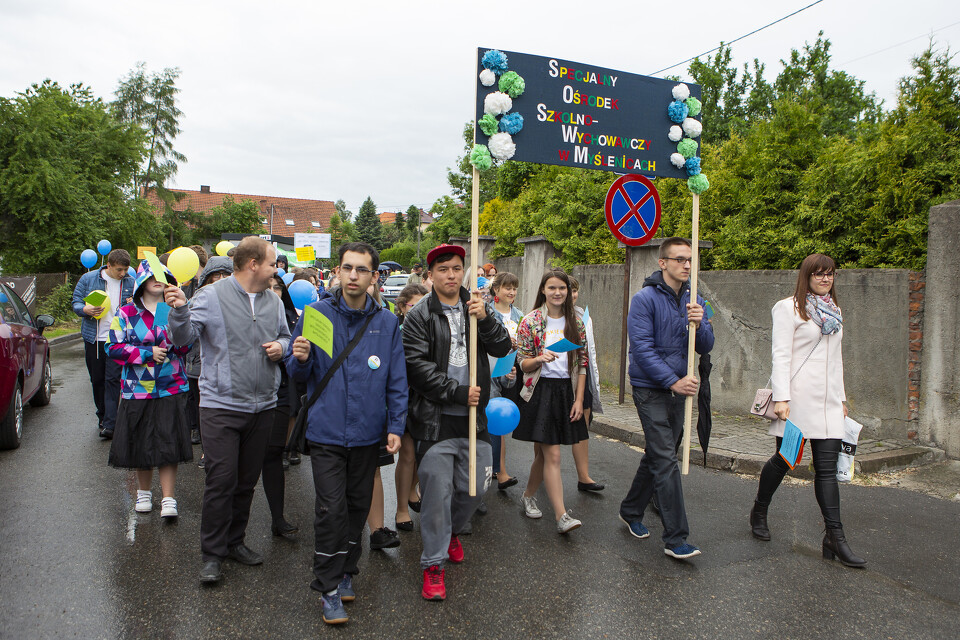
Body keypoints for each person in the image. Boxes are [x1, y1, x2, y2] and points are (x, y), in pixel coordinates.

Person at [286, 241, 407, 625]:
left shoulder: (387, 322)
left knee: (357, 508)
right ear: (337, 271)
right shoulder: (316, 314)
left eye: (361, 270)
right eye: (347, 268)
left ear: (374, 277)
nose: (353, 276)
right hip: (326, 432)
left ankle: (347, 571)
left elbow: (396, 380)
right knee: (330, 510)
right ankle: (328, 588)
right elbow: (297, 374)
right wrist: (299, 358)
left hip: (369, 433)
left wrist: (395, 426)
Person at [166, 236, 291, 585]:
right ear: (253, 264)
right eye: (271, 264)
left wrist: (281, 348)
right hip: (220, 405)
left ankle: (235, 542)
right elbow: (182, 340)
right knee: (221, 480)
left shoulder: (274, 301)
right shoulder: (210, 297)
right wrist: (178, 311)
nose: (275, 270)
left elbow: (285, 335)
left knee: (246, 482)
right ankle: (212, 554)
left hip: (263, 404)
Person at [402, 244, 511, 601]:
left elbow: (502, 348)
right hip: (436, 421)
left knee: (476, 489)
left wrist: (488, 318)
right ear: (430, 274)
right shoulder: (419, 315)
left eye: (457, 268)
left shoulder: (477, 307)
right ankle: (433, 565)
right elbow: (416, 368)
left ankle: (449, 532)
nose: (451, 274)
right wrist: (456, 392)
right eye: (444, 268)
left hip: (474, 420)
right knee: (436, 495)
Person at [750, 254, 865, 567]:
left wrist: (841, 398)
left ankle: (835, 537)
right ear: (807, 276)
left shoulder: (835, 311)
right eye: (819, 274)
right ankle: (760, 509)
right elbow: (781, 356)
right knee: (786, 460)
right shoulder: (788, 308)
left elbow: (837, 360)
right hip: (796, 402)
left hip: (827, 404)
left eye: (830, 274)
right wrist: (783, 398)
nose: (826, 279)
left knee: (826, 469)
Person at [618, 237, 713, 560]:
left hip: (679, 388)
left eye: (690, 260)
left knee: (660, 453)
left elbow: (706, 345)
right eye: (680, 259)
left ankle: (631, 509)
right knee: (666, 459)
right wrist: (673, 381)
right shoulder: (644, 300)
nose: (687, 265)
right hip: (651, 388)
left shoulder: (694, 297)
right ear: (663, 263)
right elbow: (642, 350)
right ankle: (676, 537)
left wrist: (699, 324)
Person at [106, 259, 192, 518]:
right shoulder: (126, 313)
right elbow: (113, 347)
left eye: (163, 275)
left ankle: (168, 498)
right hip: (137, 389)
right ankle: (144, 493)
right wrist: (146, 353)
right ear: (141, 281)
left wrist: (181, 314)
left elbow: (186, 346)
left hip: (171, 386)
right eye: (152, 276)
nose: (158, 280)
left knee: (168, 442)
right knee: (141, 441)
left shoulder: (172, 309)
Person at [513, 269, 588, 534]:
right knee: (552, 453)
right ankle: (562, 515)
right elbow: (522, 363)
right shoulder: (530, 320)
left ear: (568, 292)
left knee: (545, 455)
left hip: (565, 393)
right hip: (539, 392)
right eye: (552, 288)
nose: (557, 293)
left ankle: (528, 495)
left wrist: (579, 399)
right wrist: (539, 359)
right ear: (543, 290)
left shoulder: (576, 322)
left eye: (562, 288)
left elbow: (582, 364)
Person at [72, 248, 135, 439]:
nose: (123, 273)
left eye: (125, 269)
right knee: (97, 380)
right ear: (108, 265)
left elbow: (140, 306)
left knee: (113, 380)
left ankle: (110, 423)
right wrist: (85, 308)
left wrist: (133, 303)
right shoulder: (89, 279)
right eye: (119, 270)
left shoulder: (131, 283)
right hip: (95, 338)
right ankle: (102, 416)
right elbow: (75, 302)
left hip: (117, 339)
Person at [183, 257, 234, 464]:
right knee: (203, 409)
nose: (220, 279)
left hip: (227, 368)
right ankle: (207, 449)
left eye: (225, 275)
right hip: (199, 365)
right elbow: (186, 335)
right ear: (207, 278)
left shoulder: (239, 302)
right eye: (216, 275)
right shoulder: (198, 300)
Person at [262, 274, 299, 539]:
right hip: (250, 389)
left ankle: (278, 519)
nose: (274, 291)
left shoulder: (293, 316)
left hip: (282, 389)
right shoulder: (250, 310)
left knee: (273, 454)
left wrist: (286, 350)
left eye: (278, 287)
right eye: (269, 286)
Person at [393, 284, 428, 531]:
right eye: (412, 305)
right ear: (403, 307)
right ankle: (401, 509)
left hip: (427, 399)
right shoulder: (397, 333)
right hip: (404, 398)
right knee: (407, 454)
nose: (417, 311)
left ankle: (412, 490)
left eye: (422, 306)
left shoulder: (431, 331)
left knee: (423, 455)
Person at [568, 275, 605, 493]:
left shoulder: (584, 316)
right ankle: (542, 471)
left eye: (575, 291)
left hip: (584, 374)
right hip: (559, 377)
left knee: (582, 424)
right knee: (548, 430)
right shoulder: (546, 315)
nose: (571, 295)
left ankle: (584, 477)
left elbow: (590, 350)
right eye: (568, 290)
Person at [488, 272, 523, 491]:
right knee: (492, 421)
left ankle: (500, 470)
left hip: (512, 370)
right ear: (496, 290)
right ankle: (496, 470)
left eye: (514, 288)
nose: (511, 292)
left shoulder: (519, 314)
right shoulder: (487, 313)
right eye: (507, 288)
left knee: (502, 422)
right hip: (490, 370)